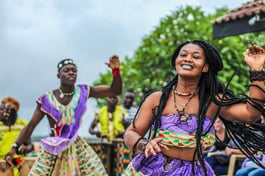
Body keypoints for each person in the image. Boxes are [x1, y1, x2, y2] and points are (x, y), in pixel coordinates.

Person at [122, 40, 265, 176]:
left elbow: (250, 113)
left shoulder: (212, 101)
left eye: (196, 57)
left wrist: (257, 70)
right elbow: (132, 132)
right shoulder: (157, 99)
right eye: (183, 55)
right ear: (176, 62)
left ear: (205, 67)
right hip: (151, 169)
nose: (188, 59)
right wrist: (143, 144)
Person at [5, 55, 122, 175]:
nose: (71, 73)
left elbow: (115, 91)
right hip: (53, 149)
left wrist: (116, 71)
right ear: (58, 75)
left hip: (76, 147)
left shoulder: (84, 91)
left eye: (74, 70)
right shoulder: (47, 99)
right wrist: (14, 147)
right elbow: (30, 126)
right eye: (66, 70)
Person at [0, 97, 33, 176]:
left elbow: (28, 145)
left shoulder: (23, 125)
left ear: (10, 111)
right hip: (1, 164)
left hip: (20, 164)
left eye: (1, 110)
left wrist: (25, 149)